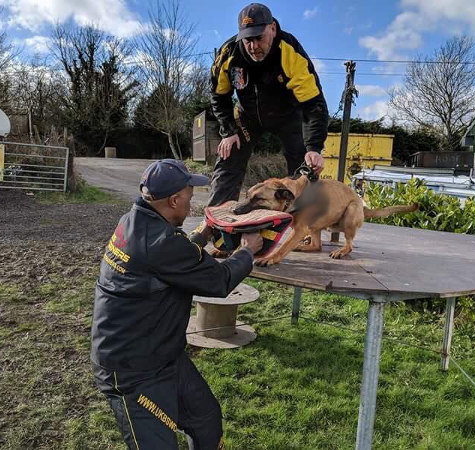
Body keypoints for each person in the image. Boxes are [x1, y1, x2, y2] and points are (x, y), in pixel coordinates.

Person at [91, 159, 263, 450]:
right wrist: (248, 252)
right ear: (173, 200)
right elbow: (219, 280)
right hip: (132, 370)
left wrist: (205, 231)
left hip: (163, 355)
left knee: (205, 418)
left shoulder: (134, 221)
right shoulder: (159, 243)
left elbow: (176, 255)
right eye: (188, 196)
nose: (191, 201)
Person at [209, 2, 329, 206]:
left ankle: (305, 228)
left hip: (288, 117)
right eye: (248, 40)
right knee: (228, 157)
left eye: (259, 38)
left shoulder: (290, 51)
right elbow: (219, 96)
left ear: (272, 28)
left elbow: (313, 103)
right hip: (247, 116)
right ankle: (216, 223)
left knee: (305, 168)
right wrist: (228, 131)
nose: (254, 46)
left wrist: (314, 147)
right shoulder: (229, 55)